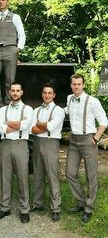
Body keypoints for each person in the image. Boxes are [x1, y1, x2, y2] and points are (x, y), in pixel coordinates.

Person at [65, 73, 108, 223]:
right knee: (70, 173)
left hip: (88, 139)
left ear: (83, 85)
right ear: (71, 85)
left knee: (91, 176)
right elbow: (66, 111)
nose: (76, 87)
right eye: (74, 84)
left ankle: (88, 208)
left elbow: (104, 121)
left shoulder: (92, 101)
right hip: (73, 140)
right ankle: (80, 202)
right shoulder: (69, 99)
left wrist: (96, 138)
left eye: (79, 84)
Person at [0, 82, 33, 223]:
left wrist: (7, 123)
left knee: (23, 177)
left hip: (21, 144)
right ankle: (5, 207)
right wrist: (16, 125)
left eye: (18, 90)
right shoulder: (2, 110)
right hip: (5, 145)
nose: (15, 93)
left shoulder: (28, 109)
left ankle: (24, 209)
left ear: (22, 92)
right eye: (13, 90)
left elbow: (26, 125)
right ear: (9, 93)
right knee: (5, 177)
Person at [30, 84, 64, 221]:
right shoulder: (36, 110)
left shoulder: (59, 110)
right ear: (42, 94)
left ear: (54, 95)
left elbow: (51, 127)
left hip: (51, 143)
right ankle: (38, 203)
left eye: (50, 93)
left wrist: (40, 124)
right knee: (37, 174)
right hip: (37, 142)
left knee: (52, 176)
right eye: (45, 93)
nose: (47, 95)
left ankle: (55, 207)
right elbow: (31, 129)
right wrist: (43, 126)